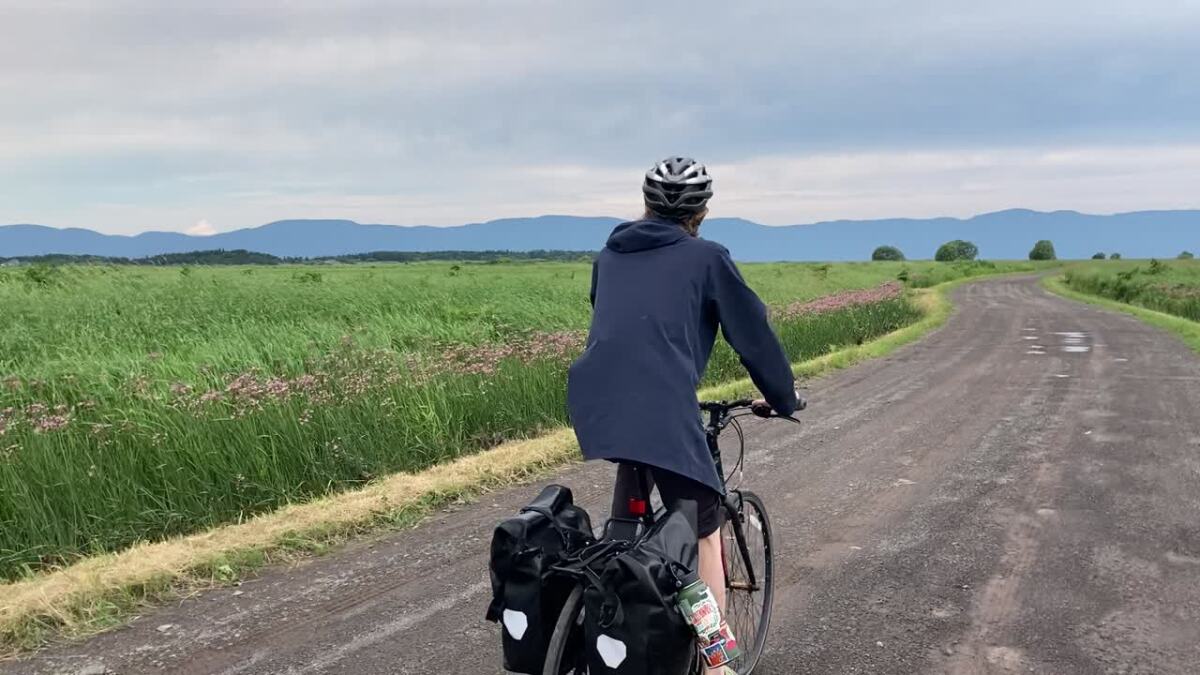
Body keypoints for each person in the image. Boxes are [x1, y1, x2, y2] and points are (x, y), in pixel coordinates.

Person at [567, 156, 798, 674]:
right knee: (703, 531)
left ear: (645, 204)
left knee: (623, 528)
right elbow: (753, 336)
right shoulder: (708, 257)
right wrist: (782, 398)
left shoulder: (609, 254)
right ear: (703, 211)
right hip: (662, 407)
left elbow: (613, 321)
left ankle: (602, 626)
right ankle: (716, 664)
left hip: (598, 401)